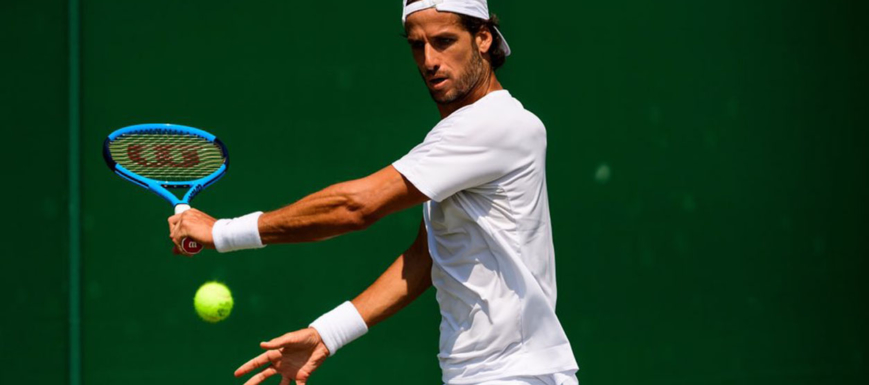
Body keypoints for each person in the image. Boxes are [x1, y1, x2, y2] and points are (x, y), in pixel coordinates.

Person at [168, 1, 579, 384]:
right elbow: (428, 257)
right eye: (417, 46)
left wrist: (223, 232)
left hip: (516, 374)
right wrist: (327, 333)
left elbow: (356, 206)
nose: (430, 61)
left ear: (484, 39)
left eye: (444, 42)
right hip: (481, 372)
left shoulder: (493, 123)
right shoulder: (463, 132)